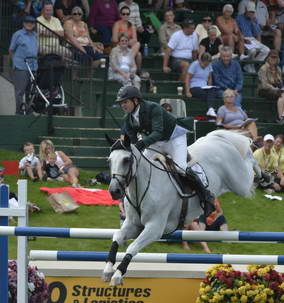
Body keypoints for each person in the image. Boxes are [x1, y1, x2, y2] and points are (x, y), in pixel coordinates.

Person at [115, 85, 216, 216]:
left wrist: (141, 144)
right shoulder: (128, 120)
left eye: (125, 102)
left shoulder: (153, 108)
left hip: (174, 138)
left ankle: (207, 198)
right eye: (121, 103)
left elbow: (157, 132)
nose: (123, 105)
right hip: (155, 143)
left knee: (181, 168)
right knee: (139, 165)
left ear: (135, 100)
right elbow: (134, 142)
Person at [9, 16, 38, 115]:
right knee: (20, 92)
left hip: (33, 66)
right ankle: (19, 112)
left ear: (34, 25)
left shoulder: (35, 35)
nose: (29, 24)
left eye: (31, 23)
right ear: (23, 23)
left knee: (30, 92)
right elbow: (11, 50)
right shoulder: (18, 34)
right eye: (27, 22)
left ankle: (28, 110)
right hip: (21, 66)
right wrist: (16, 62)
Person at [236, 2, 270, 73]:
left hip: (252, 39)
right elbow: (237, 31)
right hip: (243, 39)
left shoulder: (254, 19)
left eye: (253, 12)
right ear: (246, 10)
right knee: (253, 51)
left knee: (267, 50)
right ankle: (250, 65)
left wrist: (254, 23)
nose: (251, 13)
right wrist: (244, 39)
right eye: (250, 11)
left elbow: (256, 33)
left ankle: (250, 64)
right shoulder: (239, 17)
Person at [257, 50, 284, 120]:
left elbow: (281, 82)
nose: (273, 59)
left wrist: (283, 88)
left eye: (275, 58)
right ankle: (280, 117)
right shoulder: (263, 68)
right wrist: (274, 88)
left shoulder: (278, 69)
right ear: (268, 58)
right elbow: (264, 84)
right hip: (264, 89)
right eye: (272, 57)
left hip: (276, 88)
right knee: (281, 94)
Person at [112, 6, 141, 71]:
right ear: (120, 15)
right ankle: (131, 67)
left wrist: (126, 41)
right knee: (138, 54)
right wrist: (125, 41)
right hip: (119, 46)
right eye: (123, 14)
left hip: (128, 47)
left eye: (127, 14)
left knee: (138, 46)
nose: (125, 15)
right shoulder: (117, 24)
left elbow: (135, 40)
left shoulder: (132, 25)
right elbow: (114, 39)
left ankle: (135, 70)